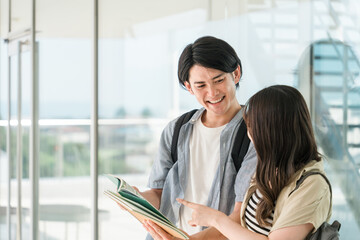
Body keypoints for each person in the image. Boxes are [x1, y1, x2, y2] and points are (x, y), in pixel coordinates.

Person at [144, 85, 332, 240]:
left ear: (271, 133)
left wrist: (217, 219)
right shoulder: (269, 170)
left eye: (251, 128)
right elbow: (243, 232)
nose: (250, 136)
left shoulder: (312, 185)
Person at [139, 36, 257, 239]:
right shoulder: (176, 130)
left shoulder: (255, 132)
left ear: (235, 74)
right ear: (189, 87)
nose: (212, 92)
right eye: (201, 85)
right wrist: (136, 199)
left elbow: (242, 215)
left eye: (219, 80)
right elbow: (159, 194)